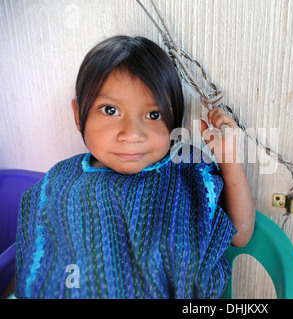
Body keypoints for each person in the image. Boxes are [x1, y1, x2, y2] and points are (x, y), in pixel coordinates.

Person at [14, 35, 255, 299]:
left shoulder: (188, 171)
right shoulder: (58, 182)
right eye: (110, 110)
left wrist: (229, 159)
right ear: (78, 114)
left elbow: (239, 235)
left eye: (153, 115)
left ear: (174, 120)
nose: (132, 134)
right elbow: (35, 271)